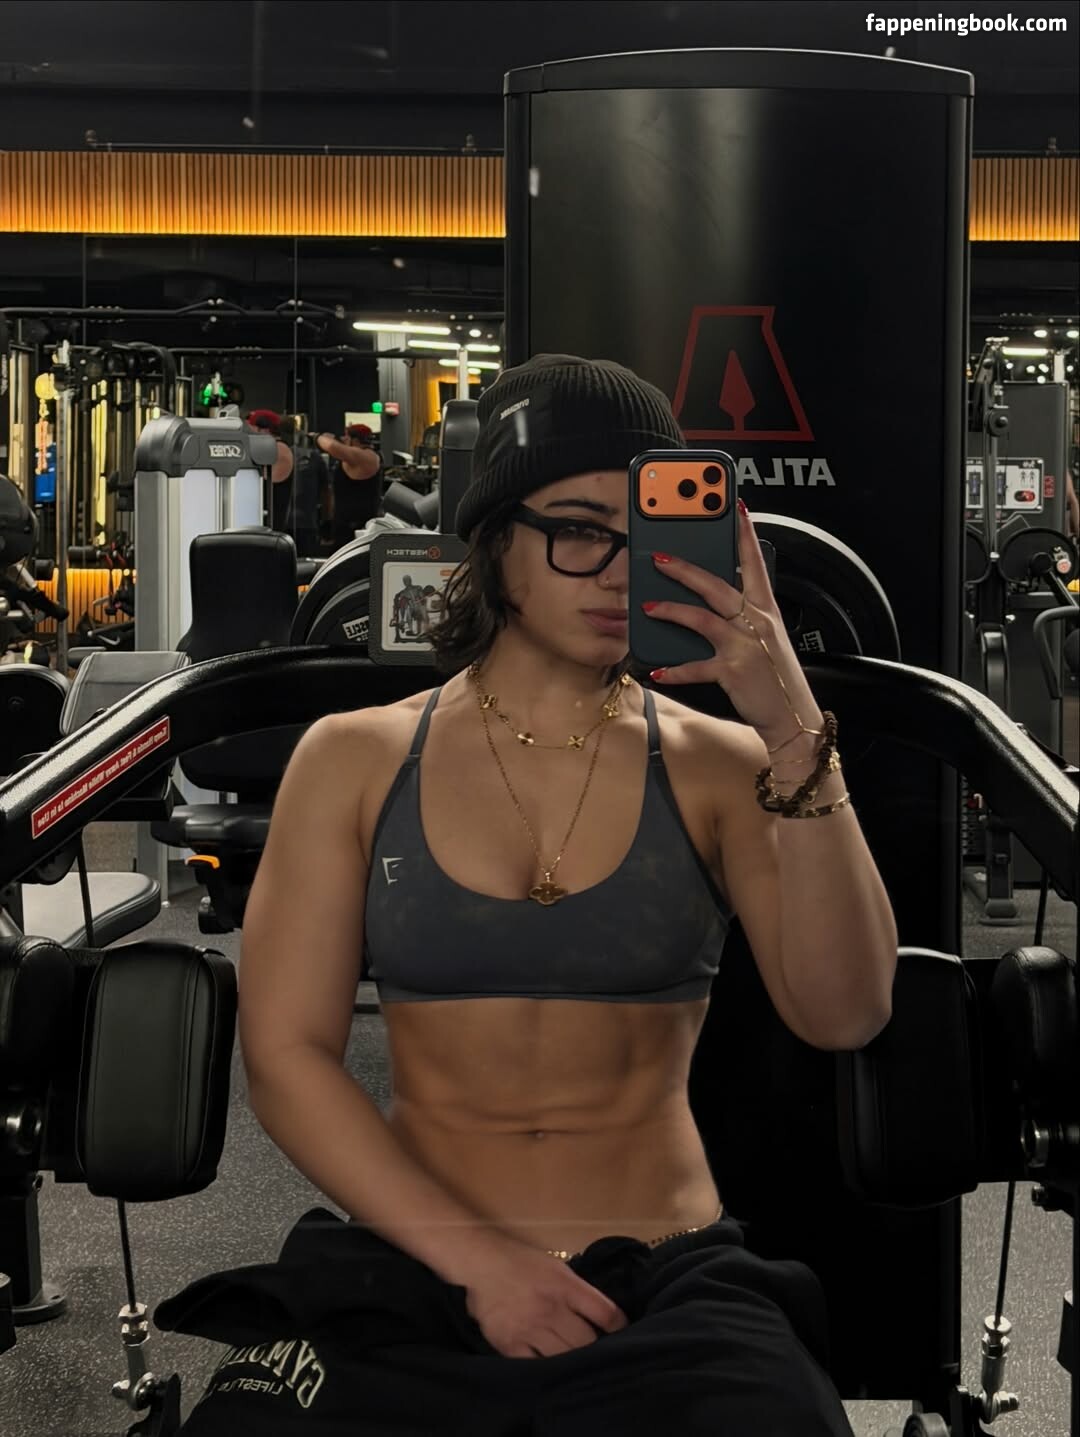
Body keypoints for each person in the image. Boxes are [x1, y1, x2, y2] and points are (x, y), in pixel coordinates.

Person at [157, 355, 899, 1434]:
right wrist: (482, 1264)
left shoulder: (728, 765)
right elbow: (287, 1057)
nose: (619, 571)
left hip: (661, 1275)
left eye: (649, 534)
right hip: (418, 1261)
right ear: (495, 539)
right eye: (581, 531)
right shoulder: (354, 760)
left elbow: (848, 1011)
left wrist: (791, 725)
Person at [317, 422, 384, 549]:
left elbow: (332, 446)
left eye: (346, 437)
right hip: (343, 522)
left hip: (357, 524)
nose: (343, 439)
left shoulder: (366, 456)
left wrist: (316, 438)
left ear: (356, 440)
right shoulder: (355, 457)